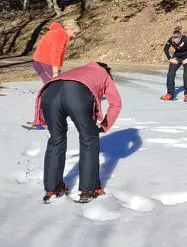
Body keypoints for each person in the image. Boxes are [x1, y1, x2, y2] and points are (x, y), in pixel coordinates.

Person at [32, 61, 122, 203]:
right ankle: (88, 189)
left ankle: (52, 190)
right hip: (76, 94)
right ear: (107, 71)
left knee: (56, 140)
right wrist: (104, 125)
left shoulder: (79, 69)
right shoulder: (104, 74)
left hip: (50, 92)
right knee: (89, 139)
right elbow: (116, 103)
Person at [161, 27, 187, 102]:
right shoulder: (171, 40)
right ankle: (170, 94)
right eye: (174, 39)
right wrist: (170, 58)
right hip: (177, 56)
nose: (176, 41)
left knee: (186, 74)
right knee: (170, 73)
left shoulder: (185, 39)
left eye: (177, 39)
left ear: (180, 37)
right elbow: (165, 49)